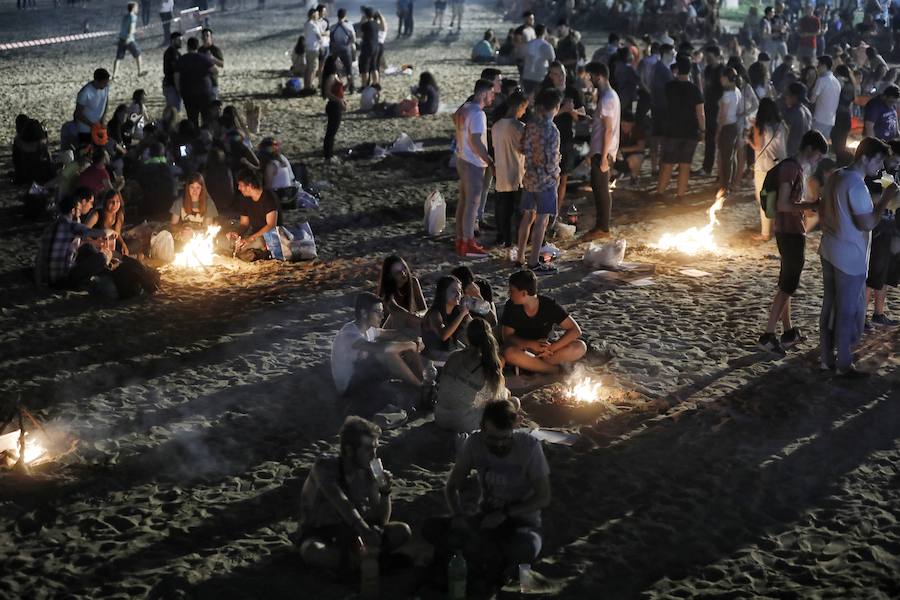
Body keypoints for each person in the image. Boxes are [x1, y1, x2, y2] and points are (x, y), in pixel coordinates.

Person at [424, 398, 551, 589]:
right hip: (485, 518)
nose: (499, 445)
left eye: (505, 438)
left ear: (514, 429)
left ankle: (491, 562)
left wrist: (505, 514)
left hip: (522, 523)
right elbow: (452, 486)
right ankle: (489, 561)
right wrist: (457, 514)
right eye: (492, 439)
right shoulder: (474, 442)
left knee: (523, 547)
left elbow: (543, 497)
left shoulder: (529, 447)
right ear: (482, 428)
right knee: (431, 527)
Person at [818, 137, 897, 377]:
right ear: (865, 157)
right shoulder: (856, 185)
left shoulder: (837, 176)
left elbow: (823, 209)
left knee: (829, 304)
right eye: (878, 161)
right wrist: (886, 198)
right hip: (849, 256)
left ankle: (825, 358)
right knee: (847, 311)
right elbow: (868, 223)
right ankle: (843, 364)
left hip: (829, 249)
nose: (880, 167)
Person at [297, 416, 412, 571]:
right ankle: (365, 562)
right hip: (321, 532)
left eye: (375, 448)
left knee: (402, 531)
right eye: (369, 449)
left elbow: (381, 520)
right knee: (312, 551)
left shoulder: (368, 471)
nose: (374, 455)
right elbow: (340, 501)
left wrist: (385, 492)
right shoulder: (325, 466)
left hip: (354, 533)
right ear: (350, 450)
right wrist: (364, 530)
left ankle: (357, 562)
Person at [757, 130, 828, 355]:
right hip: (789, 233)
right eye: (818, 155)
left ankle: (788, 332)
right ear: (809, 149)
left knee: (786, 284)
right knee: (788, 285)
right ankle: (768, 336)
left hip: (789, 231)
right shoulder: (791, 169)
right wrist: (810, 205)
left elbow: (789, 202)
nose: (817, 160)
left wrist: (808, 204)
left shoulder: (792, 167)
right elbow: (784, 205)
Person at [331, 292, 424, 396]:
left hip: (364, 376)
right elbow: (379, 348)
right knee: (385, 353)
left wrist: (415, 338)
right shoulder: (349, 334)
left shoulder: (369, 329)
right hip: (350, 387)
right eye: (378, 312)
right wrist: (409, 345)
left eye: (382, 312)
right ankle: (420, 387)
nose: (382, 316)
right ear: (364, 313)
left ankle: (422, 380)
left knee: (403, 340)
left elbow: (394, 334)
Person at [435, 319, 517, 433]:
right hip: (464, 423)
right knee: (514, 401)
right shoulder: (488, 364)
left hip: (440, 416)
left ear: (467, 337)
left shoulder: (454, 355)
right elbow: (496, 401)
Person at [500, 269, 587, 374]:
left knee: (579, 347)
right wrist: (531, 345)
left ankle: (536, 366)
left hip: (545, 352)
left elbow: (575, 330)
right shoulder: (511, 306)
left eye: (512, 291)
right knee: (509, 353)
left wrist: (551, 348)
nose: (509, 294)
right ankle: (552, 370)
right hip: (522, 350)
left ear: (524, 293)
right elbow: (507, 337)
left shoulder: (548, 305)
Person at [517, 88, 561, 275]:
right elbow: (551, 160)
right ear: (556, 107)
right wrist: (556, 172)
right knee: (541, 221)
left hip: (529, 177)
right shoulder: (552, 130)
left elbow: (521, 147)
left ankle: (520, 256)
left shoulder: (531, 125)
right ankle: (534, 261)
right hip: (545, 180)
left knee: (527, 217)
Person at [34, 192, 117, 289]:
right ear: (73, 210)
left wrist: (38, 282)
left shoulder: (52, 226)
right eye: (78, 208)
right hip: (63, 279)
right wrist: (111, 232)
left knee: (87, 247)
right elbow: (97, 232)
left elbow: (39, 256)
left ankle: (104, 271)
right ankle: (104, 274)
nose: (80, 210)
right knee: (102, 258)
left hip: (49, 277)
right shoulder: (71, 225)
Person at [453, 79, 495, 257]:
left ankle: (460, 238)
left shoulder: (465, 107)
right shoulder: (478, 114)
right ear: (484, 93)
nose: (493, 97)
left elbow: (455, 117)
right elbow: (477, 140)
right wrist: (489, 160)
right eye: (492, 93)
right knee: (472, 204)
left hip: (462, 158)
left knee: (464, 201)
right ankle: (468, 242)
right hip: (473, 163)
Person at [540, 61, 584, 218]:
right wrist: (562, 110)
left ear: (563, 74)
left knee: (563, 177)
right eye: (551, 74)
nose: (553, 77)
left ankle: (555, 212)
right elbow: (542, 116)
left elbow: (581, 118)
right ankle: (546, 211)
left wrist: (571, 112)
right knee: (550, 177)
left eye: (556, 73)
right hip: (548, 138)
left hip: (566, 138)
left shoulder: (573, 91)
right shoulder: (547, 91)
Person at [657, 55, 704, 199]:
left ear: (676, 69)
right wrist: (703, 130)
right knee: (685, 164)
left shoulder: (669, 87)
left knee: (668, 163)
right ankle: (680, 195)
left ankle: (661, 191)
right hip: (690, 131)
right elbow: (700, 113)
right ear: (690, 70)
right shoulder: (695, 90)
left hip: (672, 130)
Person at [583, 62, 620, 240]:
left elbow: (608, 129)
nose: (590, 80)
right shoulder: (609, 96)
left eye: (591, 76)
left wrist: (604, 157)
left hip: (602, 151)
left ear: (599, 76)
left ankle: (602, 227)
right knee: (598, 188)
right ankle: (601, 226)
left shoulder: (607, 99)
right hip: (600, 150)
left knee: (601, 189)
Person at [491, 90, 527, 249]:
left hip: (500, 173)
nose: (524, 112)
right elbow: (525, 149)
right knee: (519, 210)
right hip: (517, 174)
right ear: (519, 106)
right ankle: (517, 240)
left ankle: (504, 239)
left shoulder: (496, 126)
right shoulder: (520, 127)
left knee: (502, 210)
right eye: (524, 108)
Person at [749, 97, 787, 241]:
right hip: (780, 164)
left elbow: (758, 147)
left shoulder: (760, 126)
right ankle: (775, 228)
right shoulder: (781, 125)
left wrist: (748, 140)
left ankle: (766, 233)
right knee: (774, 197)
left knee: (764, 199)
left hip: (764, 167)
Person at [226, 170, 278, 261]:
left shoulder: (268, 198)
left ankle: (253, 253)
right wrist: (237, 233)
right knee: (229, 240)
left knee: (257, 243)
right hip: (254, 235)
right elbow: (244, 223)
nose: (239, 188)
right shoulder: (245, 199)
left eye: (241, 185)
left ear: (250, 186)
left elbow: (271, 225)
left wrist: (250, 239)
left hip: (268, 237)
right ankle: (249, 253)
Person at [422, 275, 470, 362]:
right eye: (453, 291)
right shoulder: (434, 313)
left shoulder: (456, 312)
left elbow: (471, 329)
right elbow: (443, 336)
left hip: (448, 353)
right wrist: (462, 314)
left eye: (459, 290)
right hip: (432, 357)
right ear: (443, 293)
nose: (458, 294)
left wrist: (466, 315)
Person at [377, 255, 427, 333]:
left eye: (404, 268)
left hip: (409, 325)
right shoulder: (386, 290)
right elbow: (395, 309)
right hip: (388, 332)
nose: (403, 273)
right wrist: (415, 318)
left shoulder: (413, 282)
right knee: (396, 317)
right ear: (390, 275)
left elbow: (424, 309)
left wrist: (418, 316)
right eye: (398, 272)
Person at [175, 37, 217, 127]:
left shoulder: (183, 59)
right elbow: (214, 70)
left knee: (192, 117)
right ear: (197, 46)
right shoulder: (204, 58)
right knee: (206, 117)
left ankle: (194, 136)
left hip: (188, 92)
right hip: (204, 91)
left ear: (188, 47)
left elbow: (176, 75)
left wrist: (178, 89)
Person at [702, 45, 724, 177]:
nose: (707, 60)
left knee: (719, 141)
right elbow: (705, 87)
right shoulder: (707, 69)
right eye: (706, 57)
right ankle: (707, 167)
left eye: (710, 57)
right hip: (708, 107)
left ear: (717, 57)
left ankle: (719, 170)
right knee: (709, 139)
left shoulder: (722, 71)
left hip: (719, 109)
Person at [74, 69, 111, 147]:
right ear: (97, 81)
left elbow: (105, 101)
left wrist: (103, 118)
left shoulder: (106, 87)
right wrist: (92, 125)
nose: (106, 85)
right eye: (104, 83)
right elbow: (77, 113)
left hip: (99, 127)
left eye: (107, 82)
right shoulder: (85, 92)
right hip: (85, 130)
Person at [809, 55, 841, 142]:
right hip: (830, 120)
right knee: (822, 146)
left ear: (824, 65)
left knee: (813, 144)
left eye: (818, 65)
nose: (817, 67)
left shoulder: (822, 80)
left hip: (819, 118)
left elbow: (812, 100)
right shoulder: (836, 82)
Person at [322, 55, 347, 162]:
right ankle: (328, 156)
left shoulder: (336, 75)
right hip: (333, 106)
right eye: (338, 61)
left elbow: (338, 90)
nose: (340, 62)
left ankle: (329, 154)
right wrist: (339, 100)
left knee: (333, 131)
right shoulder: (331, 76)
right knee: (331, 132)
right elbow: (328, 93)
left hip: (336, 105)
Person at [778, 82, 813, 157]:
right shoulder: (807, 111)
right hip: (804, 153)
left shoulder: (791, 113)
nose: (785, 97)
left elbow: (782, 135)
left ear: (794, 97)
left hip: (791, 154)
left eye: (787, 94)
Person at [112, 3, 145, 80]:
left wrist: (137, 31)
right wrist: (130, 36)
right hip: (129, 39)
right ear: (133, 8)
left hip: (122, 38)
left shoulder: (125, 16)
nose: (137, 9)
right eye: (137, 7)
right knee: (138, 55)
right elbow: (131, 28)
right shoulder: (133, 17)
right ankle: (140, 72)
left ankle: (114, 74)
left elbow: (125, 28)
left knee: (118, 58)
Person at [832, 64, 858, 160]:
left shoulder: (840, 82)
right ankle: (841, 160)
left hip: (839, 114)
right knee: (842, 141)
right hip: (847, 115)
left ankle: (839, 160)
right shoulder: (852, 85)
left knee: (836, 140)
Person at [521, 24, 555, 95]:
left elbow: (522, 58)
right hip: (540, 77)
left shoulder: (528, 44)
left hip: (527, 75)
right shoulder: (547, 46)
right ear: (544, 32)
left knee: (527, 98)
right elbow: (552, 63)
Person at [94, 189, 130, 255]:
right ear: (105, 202)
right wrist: (96, 242)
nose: (115, 204)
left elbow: (117, 233)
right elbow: (84, 232)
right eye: (111, 201)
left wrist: (123, 244)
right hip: (95, 248)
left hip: (109, 248)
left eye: (117, 201)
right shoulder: (97, 214)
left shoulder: (119, 214)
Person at [330, 9, 356, 93]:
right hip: (345, 49)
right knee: (349, 69)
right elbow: (353, 39)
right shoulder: (349, 26)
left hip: (336, 50)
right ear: (345, 16)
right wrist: (348, 43)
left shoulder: (333, 27)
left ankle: (338, 87)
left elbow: (331, 39)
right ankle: (351, 87)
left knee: (336, 70)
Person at [616, 111, 645, 184]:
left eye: (628, 126)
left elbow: (641, 147)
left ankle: (634, 178)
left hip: (630, 157)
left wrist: (622, 150)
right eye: (623, 125)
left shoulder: (637, 130)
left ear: (633, 124)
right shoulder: (615, 129)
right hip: (616, 158)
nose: (625, 128)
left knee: (636, 159)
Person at [199, 29, 225, 100]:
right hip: (202, 82)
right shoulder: (199, 50)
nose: (205, 38)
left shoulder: (215, 49)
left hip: (213, 82)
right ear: (201, 38)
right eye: (204, 36)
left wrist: (213, 58)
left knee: (214, 104)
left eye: (207, 35)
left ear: (211, 37)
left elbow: (222, 64)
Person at [358, 7, 379, 88]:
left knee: (365, 68)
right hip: (375, 47)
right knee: (374, 67)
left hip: (367, 48)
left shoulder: (365, 25)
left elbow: (359, 33)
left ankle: (364, 85)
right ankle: (375, 84)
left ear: (365, 15)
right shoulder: (376, 23)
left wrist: (362, 20)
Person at [304, 8, 324, 92]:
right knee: (313, 69)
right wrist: (322, 41)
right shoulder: (313, 25)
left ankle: (307, 85)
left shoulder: (307, 24)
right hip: (313, 49)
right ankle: (310, 86)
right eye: (316, 14)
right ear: (313, 15)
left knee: (308, 68)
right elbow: (319, 36)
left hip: (308, 48)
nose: (318, 15)